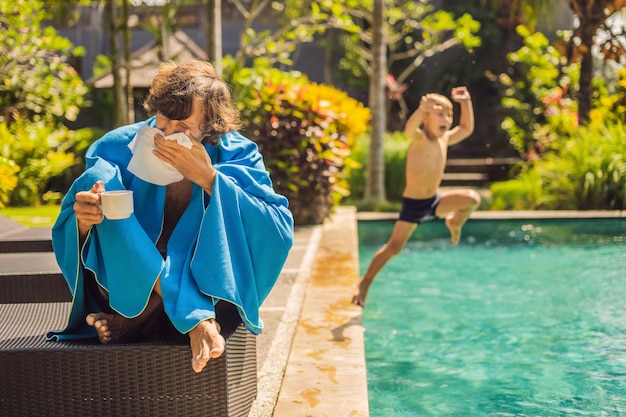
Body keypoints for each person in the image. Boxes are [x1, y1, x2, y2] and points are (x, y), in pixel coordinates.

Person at [47, 60, 294, 373]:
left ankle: (134, 319)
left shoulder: (237, 153)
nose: (168, 132)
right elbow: (74, 230)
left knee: (187, 258)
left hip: (207, 281)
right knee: (98, 182)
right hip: (128, 278)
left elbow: (276, 226)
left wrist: (209, 180)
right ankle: (195, 319)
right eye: (164, 117)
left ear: (210, 127)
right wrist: (83, 222)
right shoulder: (116, 147)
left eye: (184, 127)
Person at [352, 87, 480, 308]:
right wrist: (421, 109)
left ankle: (454, 222)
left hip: (434, 201)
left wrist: (465, 102)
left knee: (473, 198)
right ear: (426, 119)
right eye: (440, 114)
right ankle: (364, 284)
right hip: (413, 206)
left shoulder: (444, 139)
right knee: (393, 248)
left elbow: (467, 127)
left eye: (449, 115)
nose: (447, 119)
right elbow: (409, 129)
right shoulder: (420, 139)